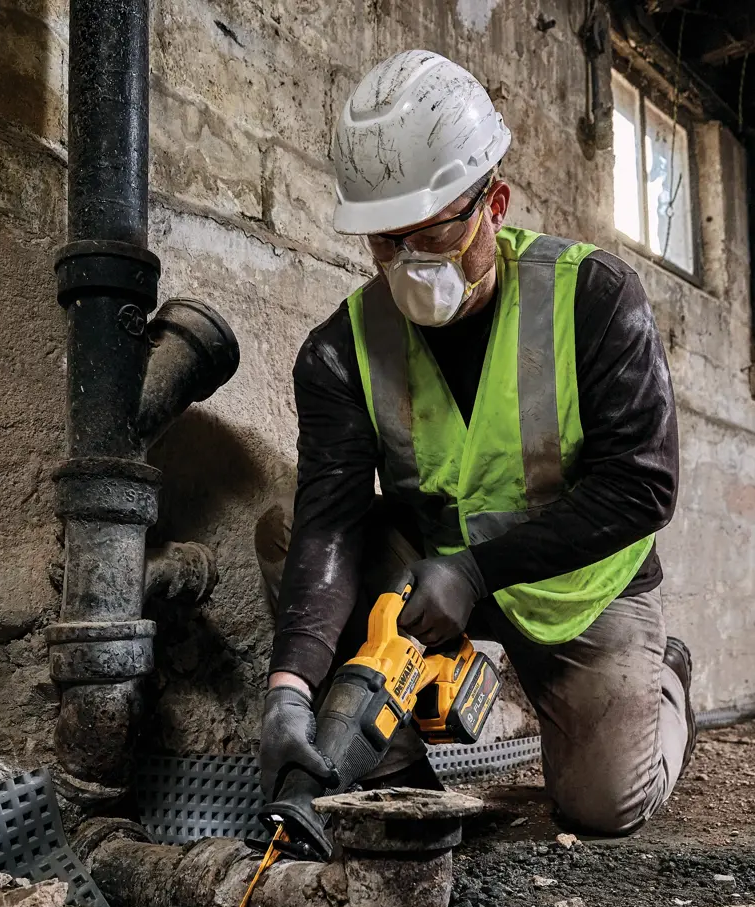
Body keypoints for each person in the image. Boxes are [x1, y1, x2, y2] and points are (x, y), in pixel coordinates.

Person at [255, 49, 694, 837]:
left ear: (495, 202)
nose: (409, 262)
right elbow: (329, 521)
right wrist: (290, 687)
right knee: (287, 529)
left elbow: (643, 487)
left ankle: (670, 682)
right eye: (386, 242)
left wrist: (477, 570)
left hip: (580, 586)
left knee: (605, 806)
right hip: (438, 571)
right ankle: (397, 781)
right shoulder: (338, 351)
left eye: (432, 233)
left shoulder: (594, 297)